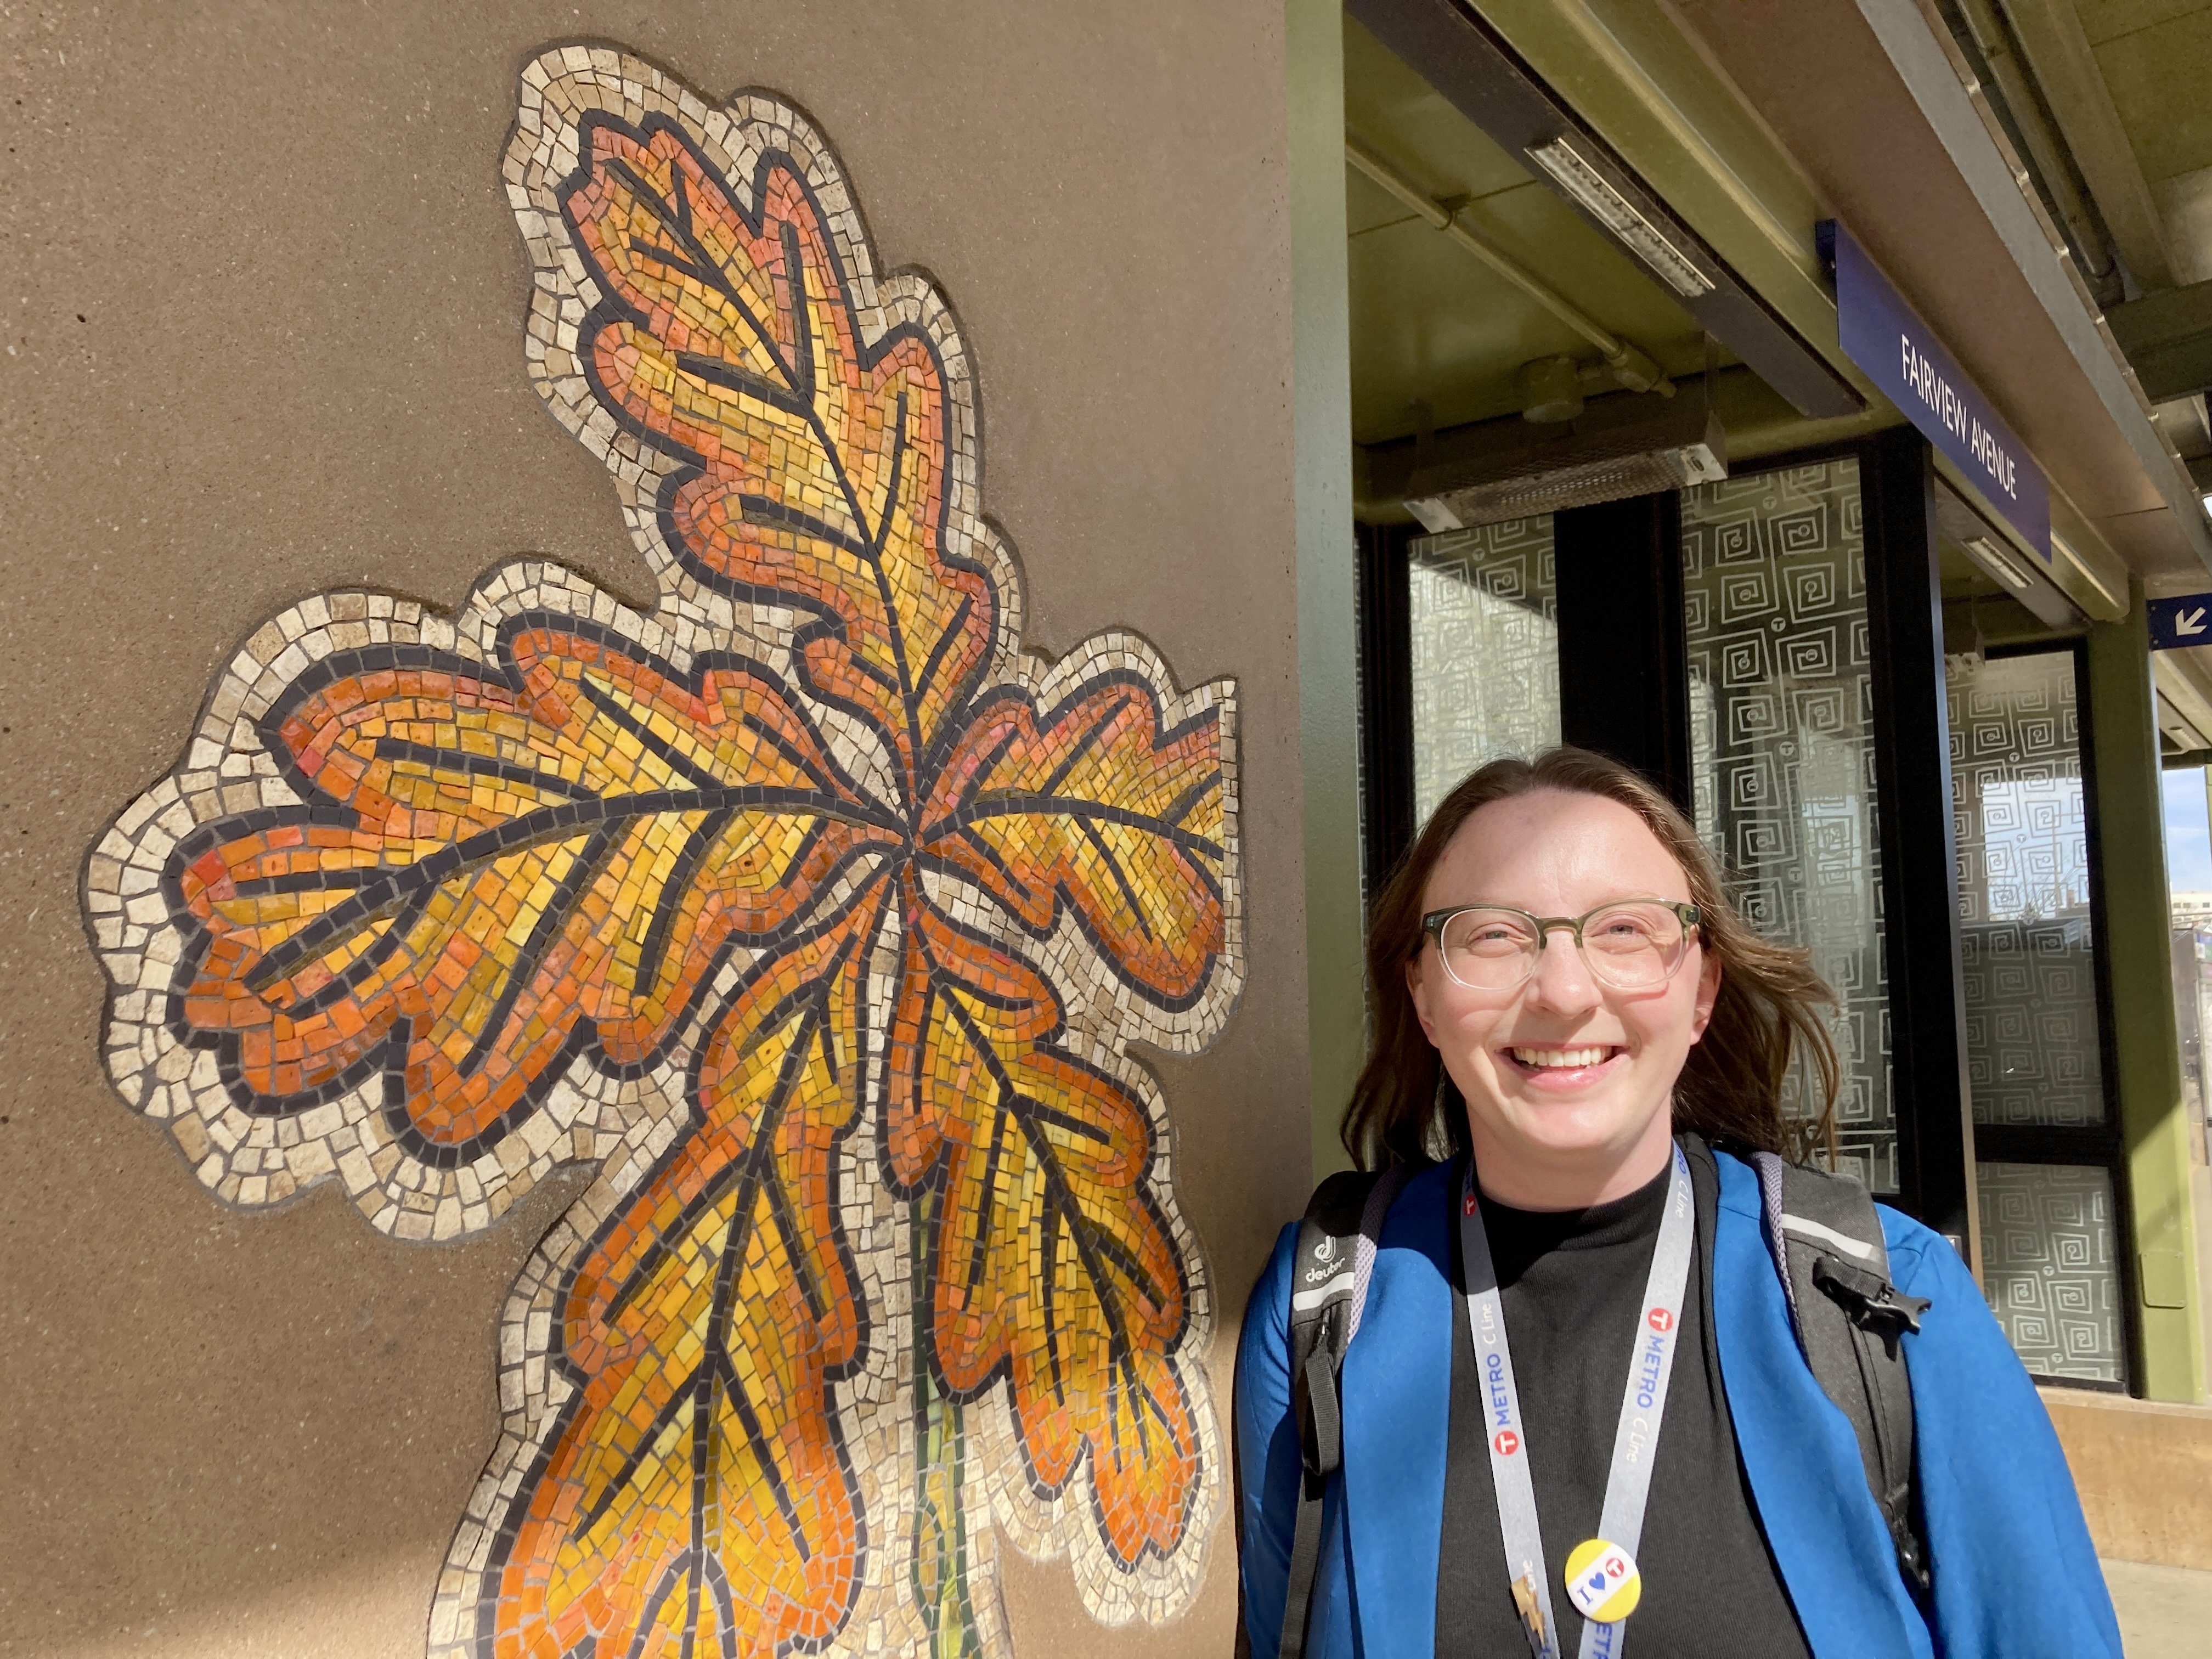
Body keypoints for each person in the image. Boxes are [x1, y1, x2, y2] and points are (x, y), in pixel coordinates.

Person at [1235, 747, 2120, 1658]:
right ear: (1422, 995)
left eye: (1625, 930)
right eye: (1494, 935)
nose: (1566, 992)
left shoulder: (1881, 1300)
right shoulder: (1322, 1309)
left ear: (1701, 990)